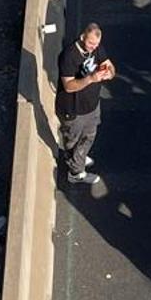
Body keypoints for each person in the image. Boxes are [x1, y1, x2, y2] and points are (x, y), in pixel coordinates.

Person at [56, 22, 114, 184]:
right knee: (72, 139)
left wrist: (109, 73)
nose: (93, 47)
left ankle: (78, 158)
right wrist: (91, 79)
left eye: (96, 44)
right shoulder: (69, 56)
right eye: (90, 43)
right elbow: (68, 86)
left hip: (92, 106)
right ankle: (75, 173)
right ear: (82, 37)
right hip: (73, 109)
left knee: (89, 136)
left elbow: (109, 65)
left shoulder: (97, 49)